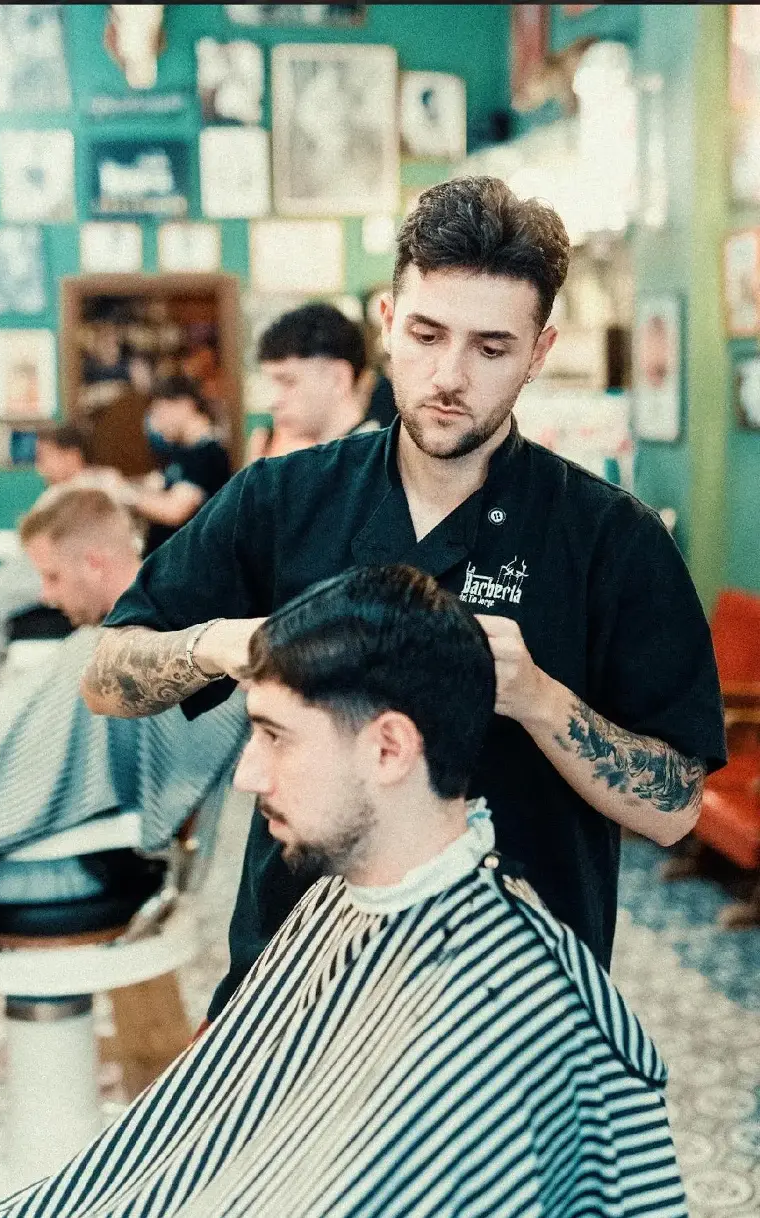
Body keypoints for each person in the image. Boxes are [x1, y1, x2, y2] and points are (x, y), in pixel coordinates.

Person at [82, 176, 726, 1026]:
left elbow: (677, 808)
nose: (449, 377)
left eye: (492, 349)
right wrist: (225, 645)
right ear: (387, 320)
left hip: (516, 1003)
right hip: (293, 977)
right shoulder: (284, 499)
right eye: (426, 334)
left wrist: (537, 698)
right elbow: (103, 674)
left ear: (539, 351)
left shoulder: (611, 538)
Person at [0, 566, 688, 1218]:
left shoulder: (504, 1010)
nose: (246, 776)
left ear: (388, 749)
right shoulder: (333, 902)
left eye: (274, 737)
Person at [0, 485, 246, 873]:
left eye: (53, 576)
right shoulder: (116, 637)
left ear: (93, 563)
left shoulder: (153, 655)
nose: (45, 594)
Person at [0, 422, 130, 701]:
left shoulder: (94, 492)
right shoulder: (62, 494)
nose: (40, 468)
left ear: (71, 455)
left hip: (40, 574)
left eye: (45, 457)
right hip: (29, 570)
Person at [246, 301, 377, 460]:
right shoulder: (324, 462)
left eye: (288, 382)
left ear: (337, 379)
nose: (274, 402)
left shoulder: (371, 465)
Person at [135, 374, 232, 554]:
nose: (156, 424)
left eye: (160, 413)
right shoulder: (179, 451)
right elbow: (154, 485)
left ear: (185, 405)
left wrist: (122, 492)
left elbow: (175, 511)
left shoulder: (209, 453)